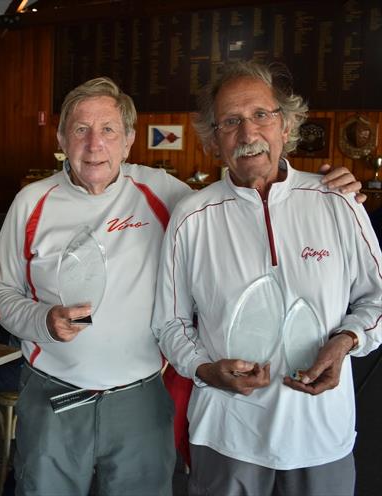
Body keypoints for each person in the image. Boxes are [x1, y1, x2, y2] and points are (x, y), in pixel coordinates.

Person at [0, 76, 366, 496]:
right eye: (80, 129)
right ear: (62, 136)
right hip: (52, 392)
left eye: (108, 130)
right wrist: (43, 320)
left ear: (129, 139)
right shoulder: (31, 202)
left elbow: (230, 208)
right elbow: (3, 297)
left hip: (139, 396)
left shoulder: (165, 193)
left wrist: (337, 190)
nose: (94, 144)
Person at [151, 60, 382, 496]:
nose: (248, 133)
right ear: (214, 139)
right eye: (231, 122)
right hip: (227, 434)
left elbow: (378, 298)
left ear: (286, 124)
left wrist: (347, 340)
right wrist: (204, 369)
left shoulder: (337, 201)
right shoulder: (192, 216)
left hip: (320, 434)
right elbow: (170, 323)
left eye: (261, 115)